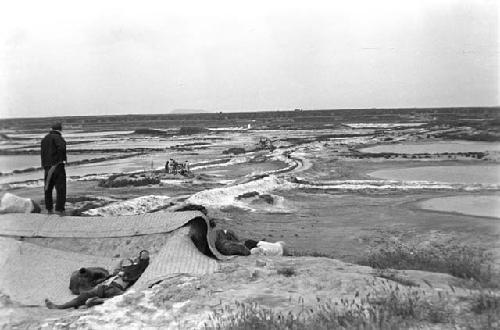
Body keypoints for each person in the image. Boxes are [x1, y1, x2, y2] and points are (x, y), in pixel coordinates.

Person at [45, 250, 150, 309]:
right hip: (105, 286)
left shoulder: (138, 268)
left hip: (115, 288)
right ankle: (59, 306)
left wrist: (125, 274)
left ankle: (97, 301)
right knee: (83, 296)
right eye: (141, 255)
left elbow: (138, 270)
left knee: (119, 299)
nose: (138, 257)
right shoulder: (125, 269)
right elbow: (115, 271)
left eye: (141, 256)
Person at [41, 122, 67, 215]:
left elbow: (43, 153)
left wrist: (44, 165)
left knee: (48, 188)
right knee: (61, 188)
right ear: (60, 129)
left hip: (47, 167)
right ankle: (60, 209)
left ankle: (49, 209)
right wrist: (61, 160)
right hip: (57, 166)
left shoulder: (44, 139)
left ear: (51, 128)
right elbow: (62, 148)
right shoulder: (58, 138)